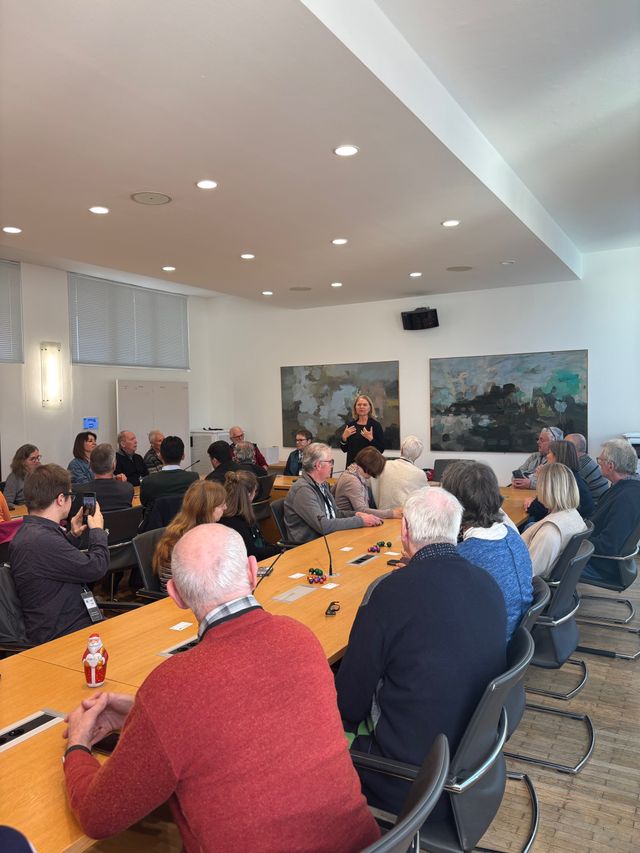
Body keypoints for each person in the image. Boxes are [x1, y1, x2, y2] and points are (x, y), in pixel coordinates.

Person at [62, 524, 379, 852]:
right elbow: (245, 713)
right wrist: (140, 715)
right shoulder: (301, 637)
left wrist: (77, 744)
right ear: (253, 572)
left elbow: (98, 817)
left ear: (175, 595)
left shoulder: (173, 687)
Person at [335, 487, 506, 820]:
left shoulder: (388, 592)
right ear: (456, 530)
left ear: (404, 532)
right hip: (471, 762)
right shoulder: (488, 583)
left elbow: (349, 705)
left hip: (403, 777)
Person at [9, 464, 109, 644]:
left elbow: (52, 564)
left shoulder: (33, 532)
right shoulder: (42, 539)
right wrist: (98, 531)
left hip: (67, 623)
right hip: (64, 633)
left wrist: (72, 535)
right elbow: (96, 568)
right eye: (70, 495)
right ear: (61, 499)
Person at [442, 460, 533, 640]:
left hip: (485, 652)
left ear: (452, 503)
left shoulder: (462, 559)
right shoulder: (512, 536)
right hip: (510, 642)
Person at [284, 442, 383, 544]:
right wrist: (361, 521)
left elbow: (335, 513)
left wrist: (356, 514)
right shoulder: (303, 491)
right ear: (318, 465)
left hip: (328, 540)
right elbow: (324, 526)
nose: (332, 466)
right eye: (330, 462)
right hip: (309, 547)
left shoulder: (322, 485)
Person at [581, 438, 640, 583]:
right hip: (601, 557)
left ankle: (556, 601)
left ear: (611, 465)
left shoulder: (626, 499)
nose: (598, 464)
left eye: (600, 460)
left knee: (553, 556)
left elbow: (609, 546)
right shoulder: (625, 488)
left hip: (604, 566)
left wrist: (575, 540)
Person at [152, 479, 226, 593]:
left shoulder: (181, 526)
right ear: (209, 509)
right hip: (183, 601)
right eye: (221, 505)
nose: (225, 508)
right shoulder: (190, 541)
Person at [521, 463, 587, 577]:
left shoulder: (549, 532)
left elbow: (528, 574)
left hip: (532, 587)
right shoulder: (574, 515)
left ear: (544, 489)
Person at [523, 440, 594, 523]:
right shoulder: (574, 476)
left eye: (549, 453)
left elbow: (536, 510)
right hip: (576, 525)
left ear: (557, 456)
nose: (546, 456)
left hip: (562, 528)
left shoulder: (560, 481)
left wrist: (542, 479)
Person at [220, 470, 280, 561]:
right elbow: (253, 553)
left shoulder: (231, 516)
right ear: (249, 494)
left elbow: (261, 543)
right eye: (255, 492)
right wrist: (277, 549)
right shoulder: (235, 523)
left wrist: (275, 548)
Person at [334, 447, 401, 519]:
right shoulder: (352, 480)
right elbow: (362, 510)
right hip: (348, 524)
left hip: (351, 521)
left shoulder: (351, 472)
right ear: (370, 468)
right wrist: (391, 514)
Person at [71, 444, 134, 514]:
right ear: (114, 465)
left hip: (94, 524)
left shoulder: (81, 492)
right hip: (122, 524)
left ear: (90, 466)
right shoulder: (127, 489)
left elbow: (88, 516)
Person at [372, 435, 428, 510]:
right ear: (417, 455)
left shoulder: (384, 465)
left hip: (381, 514)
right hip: (403, 516)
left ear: (401, 449)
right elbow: (426, 498)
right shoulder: (419, 474)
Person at [140, 436, 199, 507]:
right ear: (183, 456)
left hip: (157, 517)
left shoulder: (148, 481)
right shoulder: (193, 478)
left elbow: (145, 504)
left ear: (160, 456)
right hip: (184, 517)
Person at [339, 394, 385, 466]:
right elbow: (344, 449)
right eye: (359, 405)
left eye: (365, 405)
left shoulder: (376, 425)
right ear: (355, 408)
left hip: (369, 468)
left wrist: (370, 439)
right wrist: (344, 438)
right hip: (352, 468)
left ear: (370, 408)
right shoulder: (351, 425)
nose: (361, 407)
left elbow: (381, 450)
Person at [566, 433, 610, 504]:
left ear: (571, 449)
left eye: (564, 446)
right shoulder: (586, 460)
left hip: (595, 509)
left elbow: (566, 493)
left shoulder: (580, 466)